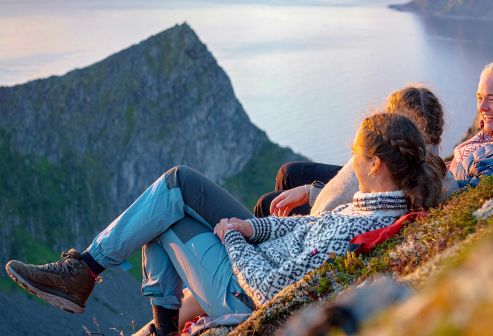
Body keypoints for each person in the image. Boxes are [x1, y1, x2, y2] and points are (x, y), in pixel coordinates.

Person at [5, 113, 445, 336]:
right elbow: (303, 232)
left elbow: (272, 291)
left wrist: (234, 239)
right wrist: (255, 229)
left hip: (244, 292)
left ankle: (87, 274)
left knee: (164, 211)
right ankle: (88, 272)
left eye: (354, 153)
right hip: (254, 256)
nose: (349, 159)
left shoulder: (359, 223)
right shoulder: (371, 208)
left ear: (373, 163)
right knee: (175, 188)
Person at [254, 86, 448, 218]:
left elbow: (326, 209)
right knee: (289, 173)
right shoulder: (435, 172)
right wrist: (309, 191)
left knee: (268, 202)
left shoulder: (373, 170)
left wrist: (310, 194)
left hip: (326, 218)